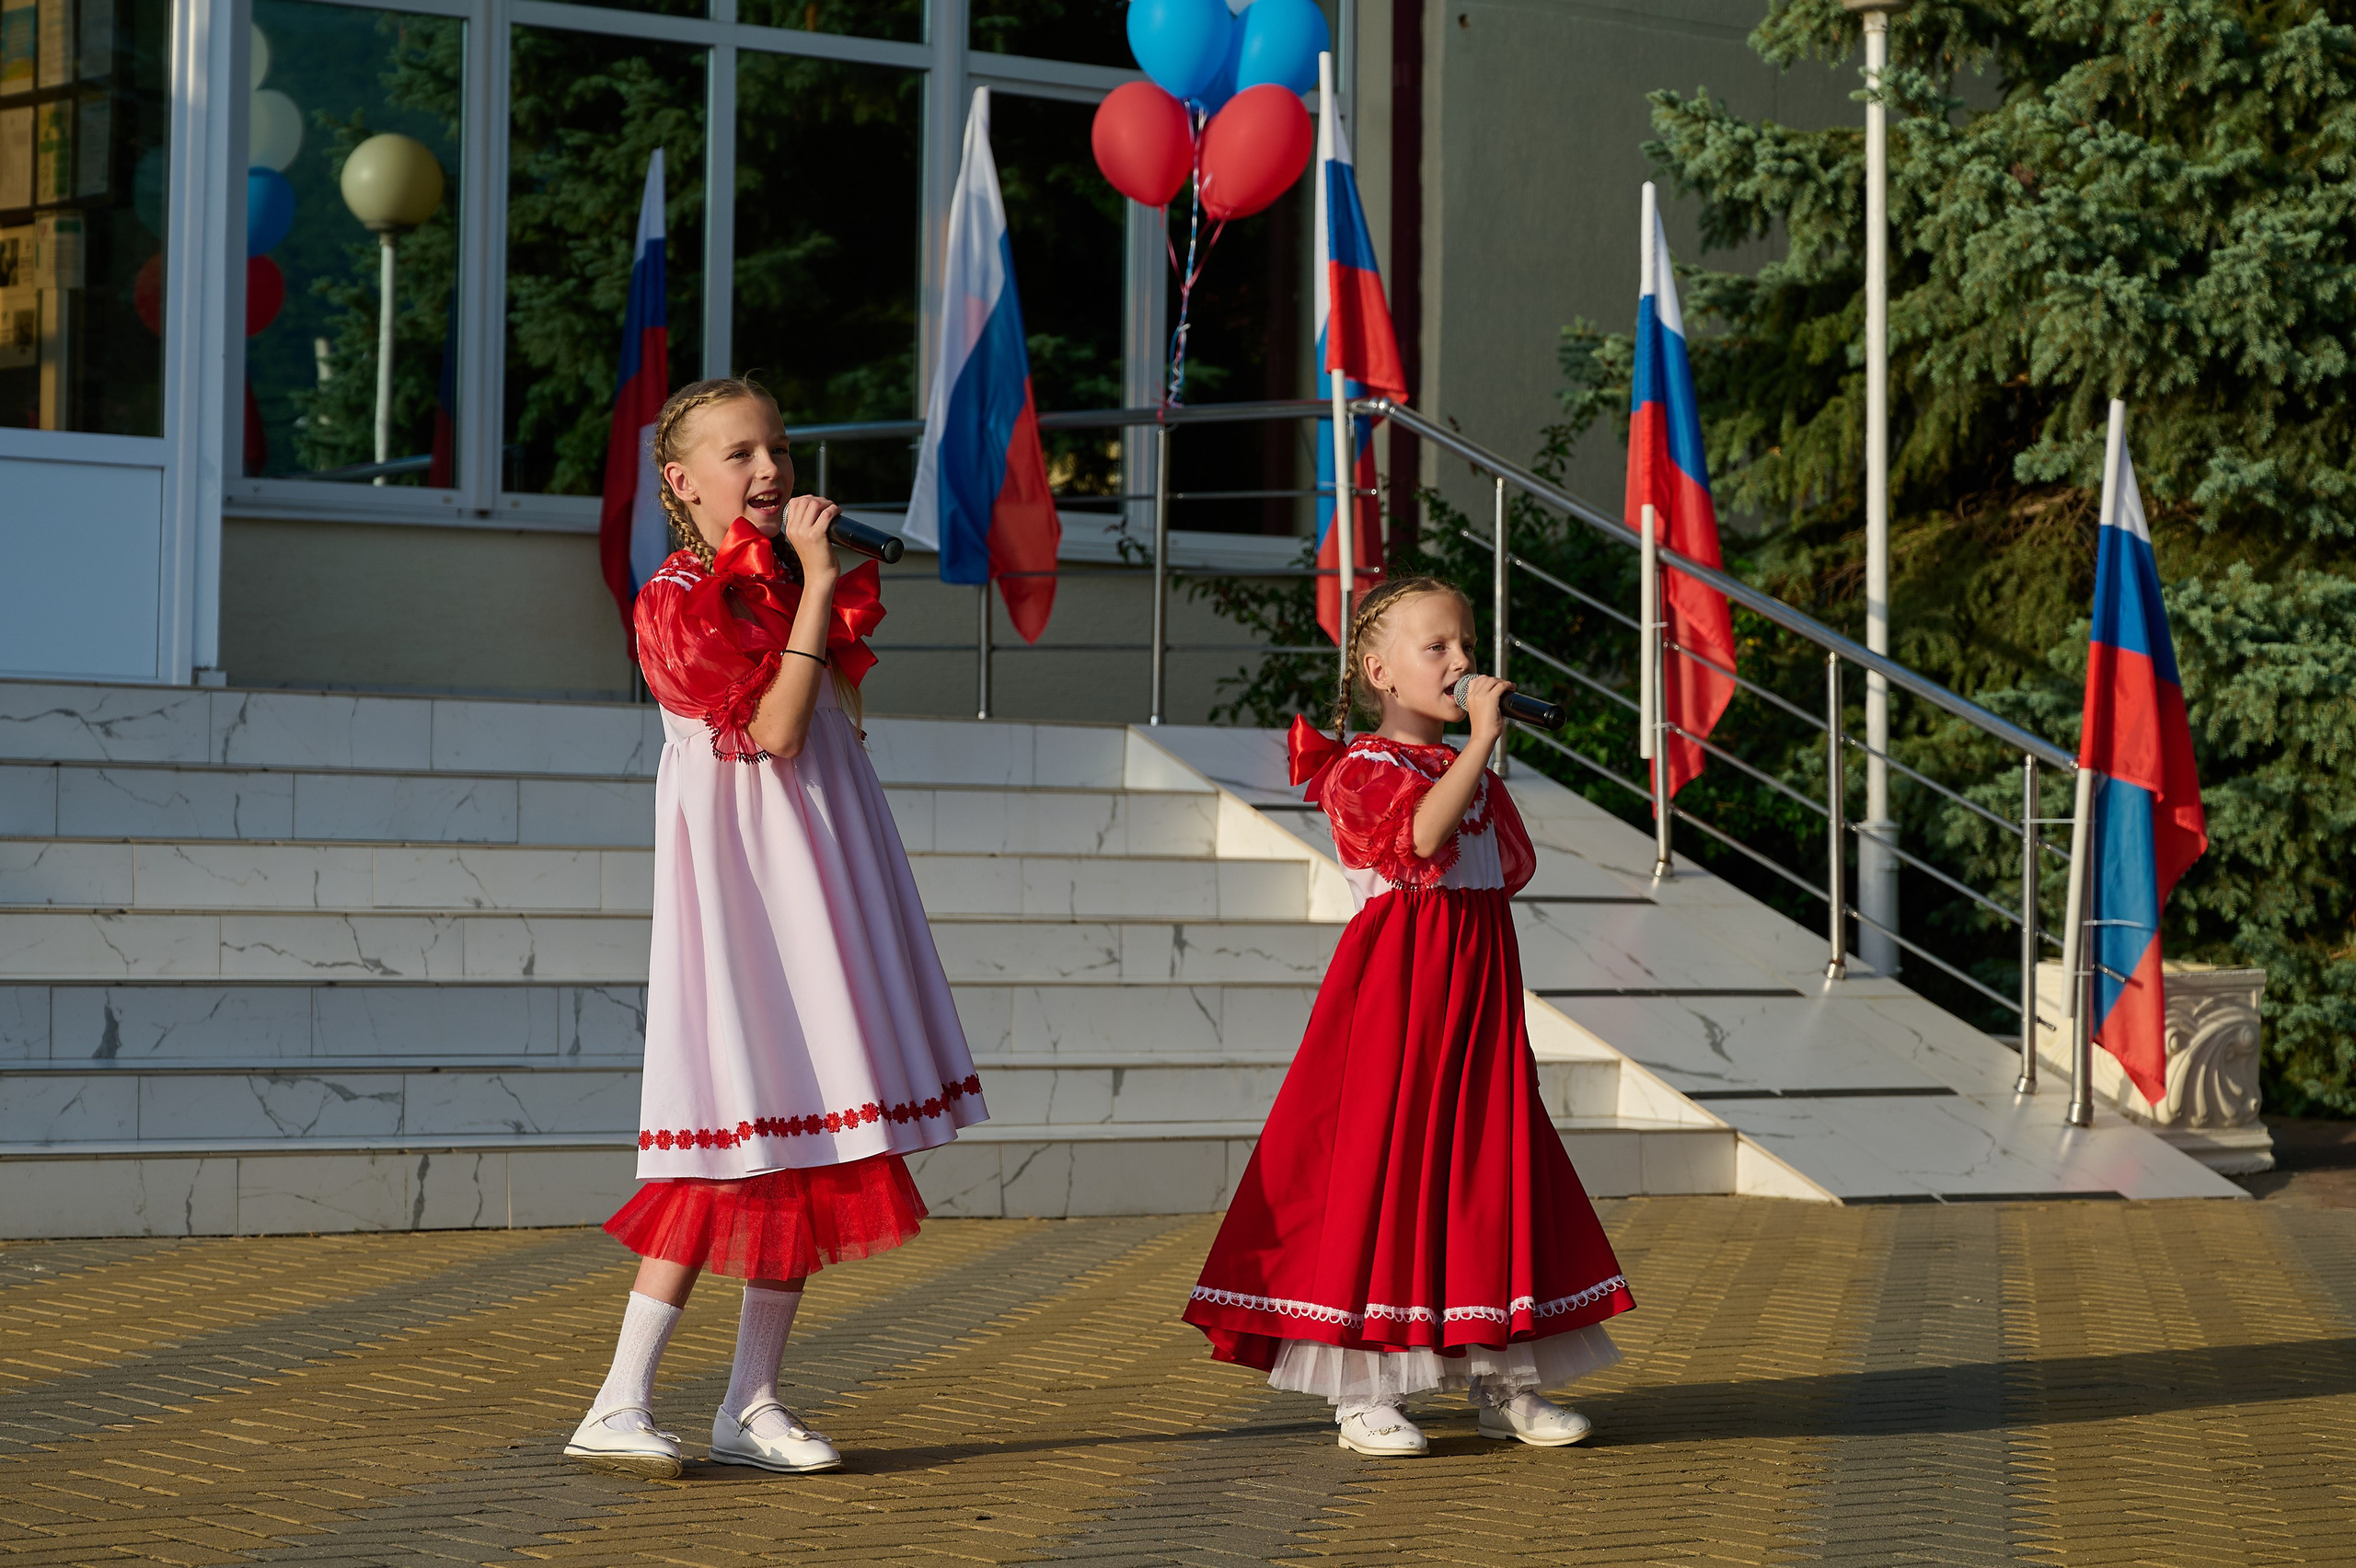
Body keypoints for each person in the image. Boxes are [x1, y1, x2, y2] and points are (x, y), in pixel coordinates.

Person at [566, 376, 985, 1479]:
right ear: (681, 482)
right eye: (740, 453)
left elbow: (828, 737)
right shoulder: (676, 599)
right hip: (748, 890)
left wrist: (807, 583)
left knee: (807, 1132)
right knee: (727, 1135)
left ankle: (749, 1401)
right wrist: (816, 585)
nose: (770, 470)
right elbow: (776, 732)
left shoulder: (780, 583)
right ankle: (617, 1399)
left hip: (815, 871)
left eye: (781, 450)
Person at [1182, 576, 1634, 1457]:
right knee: (1387, 1169)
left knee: (1488, 1168)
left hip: (1478, 991)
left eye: (1467, 645)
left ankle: (1505, 1375)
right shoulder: (1362, 768)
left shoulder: (1460, 768)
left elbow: (1497, 873)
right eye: (1438, 648)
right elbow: (1420, 841)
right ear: (1380, 672)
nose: (1462, 662)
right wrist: (1483, 742)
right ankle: (1364, 1390)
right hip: (1398, 997)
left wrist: (1475, 753)